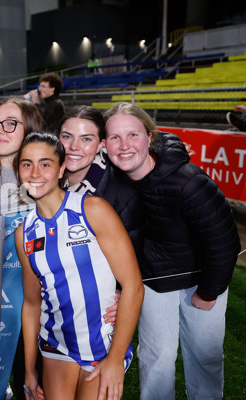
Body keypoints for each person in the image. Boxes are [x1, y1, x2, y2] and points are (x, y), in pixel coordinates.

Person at [104, 102, 241, 400]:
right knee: (156, 358)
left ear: (150, 137)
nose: (124, 145)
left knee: (204, 359)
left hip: (200, 282)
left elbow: (224, 241)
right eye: (114, 137)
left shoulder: (189, 182)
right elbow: (121, 242)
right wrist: (120, 286)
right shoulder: (111, 183)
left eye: (133, 135)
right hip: (153, 282)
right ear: (104, 143)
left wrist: (208, 292)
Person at [15, 131, 144, 400]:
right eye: (27, 164)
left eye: (45, 164)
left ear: (62, 168)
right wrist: (29, 369)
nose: (35, 173)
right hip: (56, 344)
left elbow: (133, 286)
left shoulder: (93, 210)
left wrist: (115, 358)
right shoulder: (23, 232)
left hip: (101, 347)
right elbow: (31, 303)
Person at [59, 105, 144, 264]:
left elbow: (130, 263)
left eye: (86, 139)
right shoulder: (46, 178)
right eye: (67, 136)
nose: (74, 147)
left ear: (100, 145)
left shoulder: (123, 196)